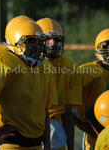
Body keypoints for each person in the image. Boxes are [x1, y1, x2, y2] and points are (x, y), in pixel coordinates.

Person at [0, 16, 57, 150]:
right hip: (10, 144)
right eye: (31, 41)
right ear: (14, 42)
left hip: (37, 144)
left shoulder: (46, 67)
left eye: (39, 42)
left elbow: (45, 111)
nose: (36, 47)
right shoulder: (5, 61)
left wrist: (47, 145)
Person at [36, 17, 82, 150]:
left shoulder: (69, 66)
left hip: (55, 125)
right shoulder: (28, 65)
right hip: (31, 123)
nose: (53, 43)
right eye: (47, 39)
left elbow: (67, 112)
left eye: (56, 39)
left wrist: (71, 147)